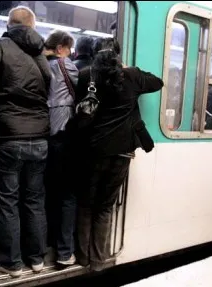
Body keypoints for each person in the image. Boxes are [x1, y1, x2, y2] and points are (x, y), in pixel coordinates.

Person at [0, 6, 51, 277]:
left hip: (8, 138)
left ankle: (11, 262)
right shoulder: (41, 55)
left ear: (9, 23)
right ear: (32, 26)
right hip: (40, 138)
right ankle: (37, 259)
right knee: (34, 200)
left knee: (8, 201)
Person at [75, 37, 163, 272]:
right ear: (118, 54)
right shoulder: (131, 75)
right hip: (122, 152)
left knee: (86, 204)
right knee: (105, 206)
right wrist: (127, 69)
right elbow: (158, 82)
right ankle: (98, 261)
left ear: (95, 54)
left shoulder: (86, 76)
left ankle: (82, 257)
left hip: (93, 151)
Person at [43, 30, 78, 267]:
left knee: (43, 195)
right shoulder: (66, 65)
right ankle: (65, 252)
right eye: (69, 49)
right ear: (61, 48)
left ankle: (41, 246)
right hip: (63, 137)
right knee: (67, 197)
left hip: (39, 136)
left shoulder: (36, 65)